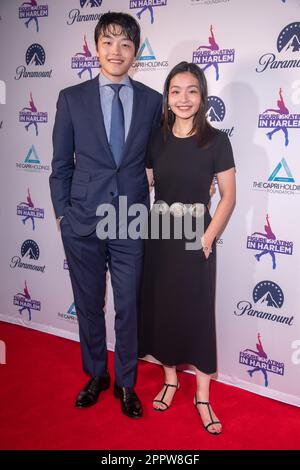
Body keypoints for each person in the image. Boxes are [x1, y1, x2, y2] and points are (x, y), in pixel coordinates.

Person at [49, 12, 162, 418]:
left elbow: (159, 157)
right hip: (81, 221)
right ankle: (96, 374)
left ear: (136, 52)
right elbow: (60, 164)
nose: (117, 51)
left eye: (126, 44)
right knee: (89, 303)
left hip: (131, 221)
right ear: (96, 47)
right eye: (109, 42)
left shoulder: (152, 100)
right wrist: (63, 214)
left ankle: (126, 383)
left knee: (129, 305)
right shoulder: (71, 98)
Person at [139, 62, 236, 434]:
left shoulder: (216, 140)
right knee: (163, 311)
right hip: (159, 237)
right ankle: (169, 380)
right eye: (176, 91)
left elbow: (228, 196)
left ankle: (203, 396)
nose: (183, 98)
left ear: (202, 96)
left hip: (198, 241)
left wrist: (208, 236)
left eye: (191, 90)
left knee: (198, 317)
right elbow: (146, 182)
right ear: (167, 96)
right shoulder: (156, 137)